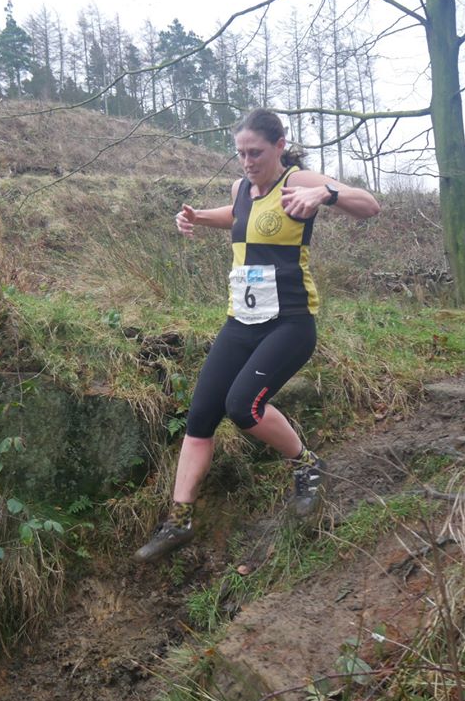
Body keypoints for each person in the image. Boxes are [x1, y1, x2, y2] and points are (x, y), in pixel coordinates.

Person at [134, 108, 381, 563]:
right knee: (200, 416)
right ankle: (179, 520)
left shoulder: (298, 180)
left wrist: (325, 194)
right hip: (241, 323)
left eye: (256, 153)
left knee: (242, 406)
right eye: (240, 153)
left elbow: (368, 205)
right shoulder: (241, 189)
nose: (247, 162)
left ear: (279, 146)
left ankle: (307, 465)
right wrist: (195, 216)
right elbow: (238, 215)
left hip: (290, 323)